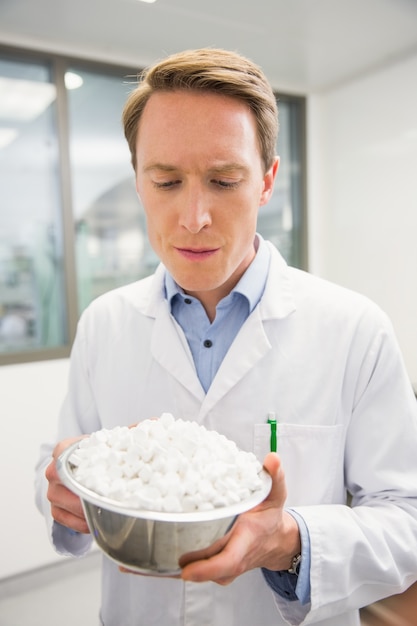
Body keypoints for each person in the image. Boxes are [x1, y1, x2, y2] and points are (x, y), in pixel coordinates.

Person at [35, 47, 417, 626]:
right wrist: (59, 496)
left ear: (266, 180)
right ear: (138, 181)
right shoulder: (106, 324)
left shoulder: (354, 330)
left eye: (223, 180)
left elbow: (406, 518)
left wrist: (290, 540)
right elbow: (67, 463)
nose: (193, 216)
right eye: (165, 181)